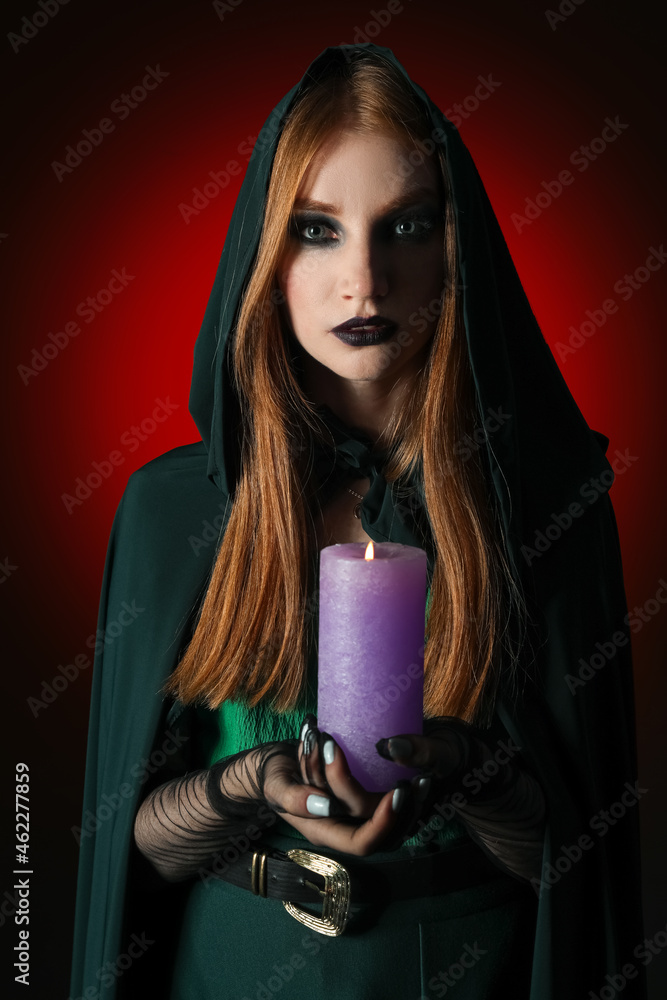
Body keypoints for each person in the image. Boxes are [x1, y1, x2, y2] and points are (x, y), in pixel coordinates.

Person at [69, 43, 645, 1000]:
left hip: (465, 966)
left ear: (454, 250)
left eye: (407, 227)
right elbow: (133, 856)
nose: (365, 282)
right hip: (230, 962)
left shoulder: (546, 505)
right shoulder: (170, 511)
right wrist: (248, 785)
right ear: (268, 252)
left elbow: (580, 862)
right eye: (318, 230)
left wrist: (466, 770)